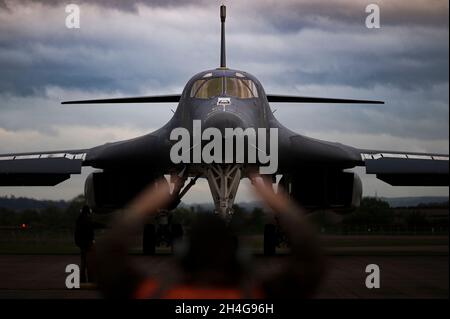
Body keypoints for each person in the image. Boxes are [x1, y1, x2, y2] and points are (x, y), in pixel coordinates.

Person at [95, 175, 326, 298]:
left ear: (184, 256)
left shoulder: (153, 294)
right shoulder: (257, 297)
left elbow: (106, 260)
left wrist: (143, 206)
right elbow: (312, 262)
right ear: (240, 258)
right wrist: (282, 206)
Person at [74, 205, 96, 283]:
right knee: (89, 262)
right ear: (87, 211)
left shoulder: (80, 219)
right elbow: (90, 230)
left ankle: (82, 280)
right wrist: (92, 241)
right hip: (87, 243)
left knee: (83, 262)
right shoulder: (87, 219)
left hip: (82, 244)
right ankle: (90, 280)